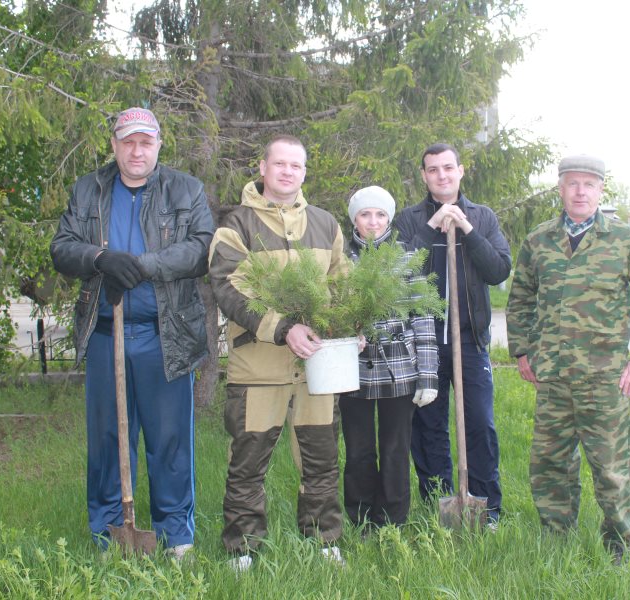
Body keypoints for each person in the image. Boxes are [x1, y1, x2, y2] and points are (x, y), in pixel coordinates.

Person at [50, 107, 215, 559]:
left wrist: (143, 266)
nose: (136, 150)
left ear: (159, 144)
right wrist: (100, 260)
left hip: (166, 335)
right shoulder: (89, 189)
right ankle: (107, 533)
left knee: (169, 440)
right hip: (107, 335)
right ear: (114, 145)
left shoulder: (185, 189)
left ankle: (175, 535)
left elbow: (202, 249)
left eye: (146, 141)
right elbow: (62, 248)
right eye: (128, 141)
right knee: (107, 438)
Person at [505, 154, 630, 562]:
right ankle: (556, 539)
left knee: (612, 469)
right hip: (553, 378)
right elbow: (521, 298)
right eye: (572, 183)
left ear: (601, 191)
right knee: (550, 465)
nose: (580, 191)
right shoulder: (539, 241)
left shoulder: (624, 239)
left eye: (589, 184)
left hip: (604, 379)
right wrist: (523, 350)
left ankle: (620, 546)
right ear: (560, 188)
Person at [209, 135, 347, 571]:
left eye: (297, 166)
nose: (288, 172)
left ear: (305, 173)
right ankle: (243, 550)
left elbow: (345, 288)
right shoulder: (237, 224)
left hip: (318, 371)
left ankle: (324, 541)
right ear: (264, 168)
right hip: (258, 370)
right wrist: (282, 328)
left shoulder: (327, 224)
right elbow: (229, 288)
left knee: (322, 460)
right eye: (280, 164)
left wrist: (351, 329)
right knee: (247, 464)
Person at [395, 143, 511, 525]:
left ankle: (486, 505)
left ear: (461, 171)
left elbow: (498, 270)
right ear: (424, 176)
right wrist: (432, 228)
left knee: (479, 422)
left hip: (470, 339)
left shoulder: (483, 216)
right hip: (424, 342)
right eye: (433, 170)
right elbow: (399, 270)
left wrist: (467, 229)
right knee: (428, 425)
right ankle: (437, 502)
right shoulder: (410, 220)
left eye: (448, 168)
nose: (441, 175)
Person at [338, 186, 438, 531]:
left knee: (395, 449)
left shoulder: (407, 260)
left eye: (380, 215)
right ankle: (361, 517)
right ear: (354, 218)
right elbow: (328, 312)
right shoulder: (341, 261)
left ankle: (393, 519)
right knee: (359, 450)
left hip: (399, 371)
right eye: (365, 214)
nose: (373, 222)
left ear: (389, 219)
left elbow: (424, 319)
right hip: (352, 372)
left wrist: (428, 376)